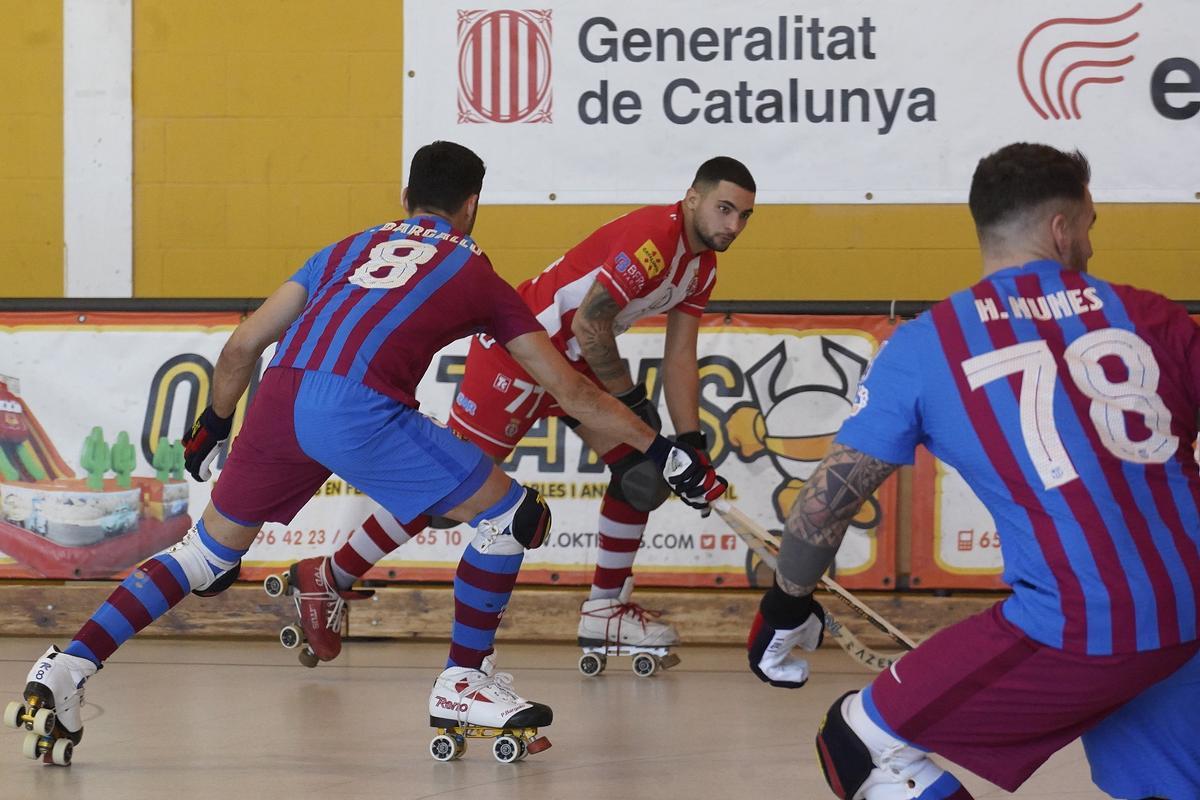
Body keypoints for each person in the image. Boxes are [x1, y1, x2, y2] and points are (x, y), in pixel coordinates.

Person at [7, 140, 726, 763]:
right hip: (355, 405)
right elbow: (569, 390)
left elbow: (243, 346)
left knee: (204, 555)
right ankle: (463, 681)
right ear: (472, 206)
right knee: (511, 517)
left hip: (280, 395)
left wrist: (214, 424)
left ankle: (66, 668)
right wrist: (663, 449)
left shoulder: (347, 248)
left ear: (405, 198)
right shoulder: (478, 274)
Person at [746, 142, 1200, 800]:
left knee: (856, 744)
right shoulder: (1154, 316)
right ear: (1061, 228)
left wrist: (786, 603)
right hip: (1189, 610)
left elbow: (827, 503)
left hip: (1081, 625)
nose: (1090, 245)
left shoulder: (927, 344)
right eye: (1090, 226)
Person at [315, 156, 756, 666]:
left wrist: (691, 444)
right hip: (521, 353)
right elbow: (591, 325)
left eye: (744, 216)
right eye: (725, 209)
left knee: (644, 473)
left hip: (575, 367)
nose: (733, 225)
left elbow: (680, 355)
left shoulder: (702, 267)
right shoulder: (656, 236)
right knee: (445, 495)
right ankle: (329, 577)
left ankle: (604, 611)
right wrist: (635, 407)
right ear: (693, 198)